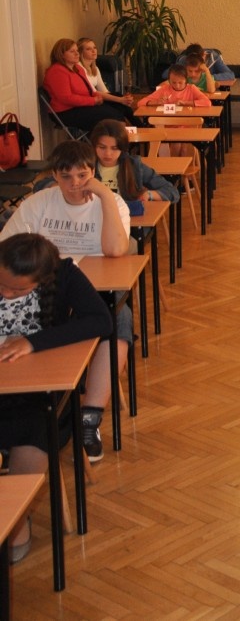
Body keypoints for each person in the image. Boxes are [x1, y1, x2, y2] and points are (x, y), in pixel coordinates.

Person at [0, 141, 133, 462]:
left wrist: (104, 197)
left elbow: (116, 250)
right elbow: (9, 252)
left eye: (82, 175)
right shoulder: (38, 203)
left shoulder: (111, 201)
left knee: (119, 318)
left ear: (93, 172)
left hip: (89, 286)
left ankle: (90, 417)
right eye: (66, 176)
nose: (75, 184)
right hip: (42, 286)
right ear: (54, 176)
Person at [0, 232, 113, 563]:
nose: (6, 294)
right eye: (1, 285)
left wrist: (34, 342)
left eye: (17, 290)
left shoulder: (62, 274)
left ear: (40, 280)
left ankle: (15, 523)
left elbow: (101, 320)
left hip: (41, 392)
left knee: (36, 428)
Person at [41, 38, 134, 131]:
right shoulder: (57, 71)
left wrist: (98, 98)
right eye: (72, 51)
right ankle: (114, 139)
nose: (77, 53)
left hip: (80, 106)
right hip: (65, 112)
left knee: (117, 112)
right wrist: (93, 100)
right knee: (113, 117)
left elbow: (90, 90)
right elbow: (66, 98)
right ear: (61, 55)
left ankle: (128, 135)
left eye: (77, 50)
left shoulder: (77, 68)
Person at [88, 121, 180, 208]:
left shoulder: (134, 166)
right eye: (102, 147)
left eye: (114, 148)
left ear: (123, 148)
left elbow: (172, 192)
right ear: (94, 146)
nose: (108, 153)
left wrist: (149, 194)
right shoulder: (86, 166)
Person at [77, 37, 136, 115]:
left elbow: (104, 91)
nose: (94, 51)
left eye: (94, 48)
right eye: (88, 49)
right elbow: (94, 92)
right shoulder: (79, 68)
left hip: (97, 98)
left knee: (118, 99)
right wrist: (120, 99)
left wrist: (123, 99)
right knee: (118, 102)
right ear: (81, 52)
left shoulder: (95, 68)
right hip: (89, 101)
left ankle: (137, 122)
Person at [137, 64, 213, 108]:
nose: (177, 86)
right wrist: (157, 102)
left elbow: (207, 103)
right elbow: (140, 103)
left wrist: (184, 103)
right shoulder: (165, 89)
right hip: (167, 124)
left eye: (180, 83)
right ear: (169, 80)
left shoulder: (191, 88)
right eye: (173, 82)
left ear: (186, 80)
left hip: (188, 123)